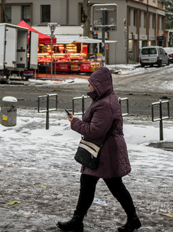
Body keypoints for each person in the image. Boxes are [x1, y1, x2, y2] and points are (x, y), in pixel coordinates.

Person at [58, 66, 141, 232]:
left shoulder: (104, 105)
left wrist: (74, 122)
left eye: (92, 83)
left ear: (100, 85)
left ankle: (132, 219)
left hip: (105, 153)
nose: (89, 86)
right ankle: (77, 220)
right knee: (88, 184)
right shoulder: (104, 100)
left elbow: (95, 131)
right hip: (102, 151)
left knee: (115, 187)